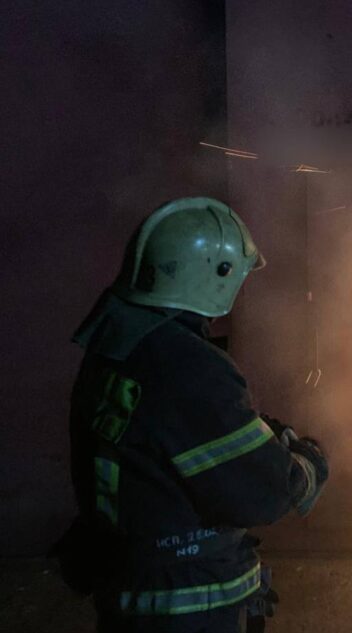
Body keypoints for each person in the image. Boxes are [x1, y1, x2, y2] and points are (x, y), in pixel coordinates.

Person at [54, 197, 328, 633]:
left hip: (130, 590)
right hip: (186, 605)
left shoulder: (116, 345)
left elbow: (176, 435)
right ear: (216, 275)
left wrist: (255, 433)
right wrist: (304, 465)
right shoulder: (187, 366)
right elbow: (261, 492)